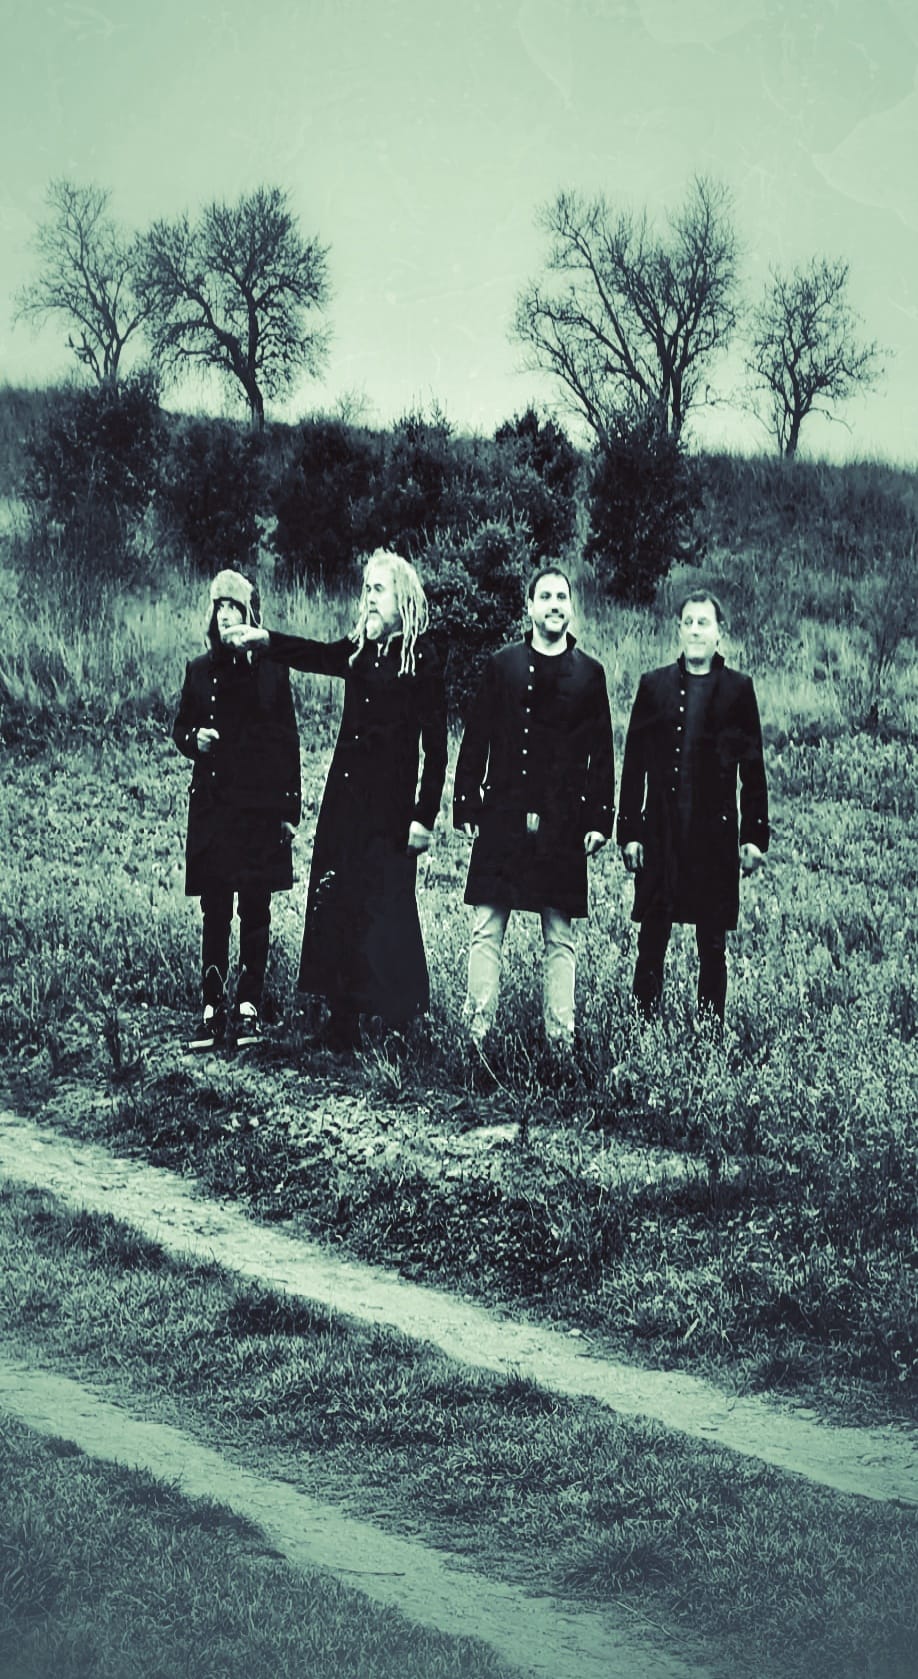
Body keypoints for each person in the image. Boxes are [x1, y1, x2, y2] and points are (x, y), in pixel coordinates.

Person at [226, 550, 447, 1050]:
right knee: (338, 902)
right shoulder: (359, 650)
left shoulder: (421, 658)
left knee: (388, 909)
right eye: (366, 588)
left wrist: (424, 816)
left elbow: (436, 749)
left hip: (391, 812)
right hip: (345, 801)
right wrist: (267, 641)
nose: (368, 597)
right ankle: (341, 1019)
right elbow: (317, 655)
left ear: (403, 598)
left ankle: (397, 1023)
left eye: (378, 589)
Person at [453, 567, 614, 1052]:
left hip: (562, 823)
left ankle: (560, 1044)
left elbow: (602, 753)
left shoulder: (589, 674)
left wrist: (600, 818)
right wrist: (466, 801)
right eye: (545, 596)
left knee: (559, 935)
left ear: (571, 607)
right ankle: (475, 1038)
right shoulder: (501, 665)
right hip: (502, 814)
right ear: (529, 606)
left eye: (562, 597)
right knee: (487, 927)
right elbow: (476, 737)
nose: (554, 605)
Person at [617, 590, 769, 1025]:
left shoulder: (739, 690)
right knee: (652, 937)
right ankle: (642, 1028)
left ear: (719, 633)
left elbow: (752, 769)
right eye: (689, 622)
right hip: (661, 834)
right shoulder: (653, 686)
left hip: (713, 838)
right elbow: (634, 765)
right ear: (679, 631)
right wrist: (629, 833)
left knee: (712, 944)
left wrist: (754, 837)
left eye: (704, 622)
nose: (696, 630)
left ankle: (709, 1035)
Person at [173, 569, 301, 1050]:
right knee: (215, 907)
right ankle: (212, 1008)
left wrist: (289, 810)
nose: (226, 615)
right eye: (219, 607)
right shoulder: (198, 670)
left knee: (255, 907)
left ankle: (248, 1007)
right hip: (214, 807)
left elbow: (288, 741)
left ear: (250, 614)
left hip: (261, 807)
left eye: (234, 607)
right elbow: (180, 728)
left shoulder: (272, 670)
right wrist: (195, 740)